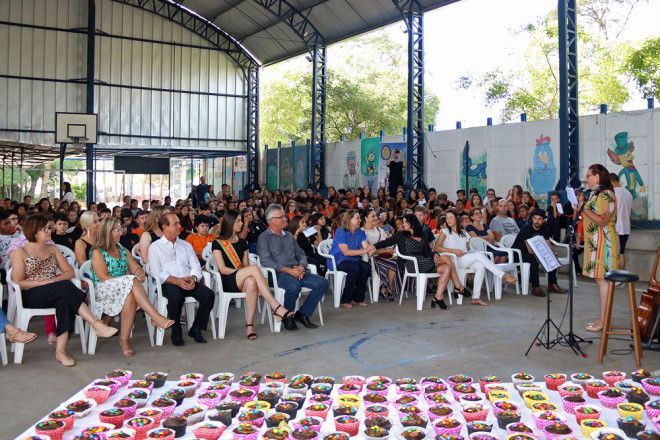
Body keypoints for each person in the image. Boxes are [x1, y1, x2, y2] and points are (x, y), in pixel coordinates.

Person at [10, 214, 118, 366]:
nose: (50, 231)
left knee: (64, 300)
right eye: (46, 229)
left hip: (55, 290)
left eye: (50, 228)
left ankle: (61, 351)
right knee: (65, 288)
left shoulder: (52, 249)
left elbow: (69, 272)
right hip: (31, 294)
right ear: (34, 231)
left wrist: (53, 280)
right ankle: (95, 323)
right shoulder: (21, 252)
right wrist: (44, 282)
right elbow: (19, 282)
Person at [91, 217, 174, 356]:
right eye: (116, 230)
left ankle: (124, 341)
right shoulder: (97, 251)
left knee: (130, 295)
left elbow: (135, 267)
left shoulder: (121, 249)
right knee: (132, 281)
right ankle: (155, 316)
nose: (121, 232)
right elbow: (102, 277)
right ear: (106, 231)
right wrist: (128, 279)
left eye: (120, 229)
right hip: (104, 289)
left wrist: (139, 273)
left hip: (123, 287)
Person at [213, 210, 295, 338]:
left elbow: (246, 265)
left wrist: (246, 272)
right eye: (239, 221)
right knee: (254, 269)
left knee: (251, 281)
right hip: (227, 280)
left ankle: (249, 325)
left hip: (243, 280)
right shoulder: (217, 242)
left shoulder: (242, 242)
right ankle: (275, 306)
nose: (242, 223)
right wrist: (244, 272)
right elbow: (222, 269)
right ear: (230, 223)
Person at [257, 204, 328, 329]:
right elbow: (266, 261)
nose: (285, 219)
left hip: (296, 271)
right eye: (282, 217)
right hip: (277, 274)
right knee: (294, 286)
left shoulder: (289, 236)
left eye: (285, 216)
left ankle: (303, 313)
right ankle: (287, 315)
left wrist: (300, 266)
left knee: (322, 282)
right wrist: (288, 270)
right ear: (271, 220)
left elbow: (301, 254)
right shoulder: (264, 237)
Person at [148, 212, 215, 345]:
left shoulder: (185, 245)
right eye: (175, 224)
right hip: (168, 283)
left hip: (188, 280)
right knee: (176, 297)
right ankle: (176, 331)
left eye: (179, 222)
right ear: (164, 227)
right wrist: (177, 281)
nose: (180, 226)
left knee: (208, 295)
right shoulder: (155, 247)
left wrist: (193, 278)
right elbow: (156, 272)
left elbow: (195, 265)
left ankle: (196, 328)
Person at [374, 214, 460, 309]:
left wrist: (435, 254)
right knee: (446, 258)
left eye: (405, 222)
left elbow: (427, 252)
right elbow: (387, 242)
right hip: (412, 263)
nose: (403, 224)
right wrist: (373, 246)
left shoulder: (422, 234)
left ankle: (438, 297)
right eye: (403, 222)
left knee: (447, 268)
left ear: (412, 223)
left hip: (425, 261)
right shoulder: (401, 235)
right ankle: (458, 286)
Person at [435, 210, 517, 306]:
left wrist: (469, 251)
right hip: (452, 260)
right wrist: (453, 251)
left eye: (450, 217)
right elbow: (437, 247)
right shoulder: (444, 232)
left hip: (463, 259)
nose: (448, 220)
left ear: (456, 218)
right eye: (447, 218)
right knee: (478, 255)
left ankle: (475, 297)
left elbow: (467, 248)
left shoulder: (464, 233)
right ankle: (503, 275)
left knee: (480, 265)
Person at [580, 164, 619, 332]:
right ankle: (602, 319)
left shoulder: (606, 195)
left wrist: (584, 209)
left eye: (588, 176)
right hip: (596, 242)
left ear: (597, 176)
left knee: (604, 280)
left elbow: (602, 220)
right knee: (600, 280)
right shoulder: (598, 194)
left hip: (605, 243)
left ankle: (604, 321)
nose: (586, 179)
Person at [512, 209, 565, 296]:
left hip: (534, 252)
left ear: (544, 220)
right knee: (534, 259)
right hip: (519, 253)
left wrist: (552, 253)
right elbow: (529, 249)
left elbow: (548, 244)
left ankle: (552, 284)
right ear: (532, 219)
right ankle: (535, 287)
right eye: (535, 218)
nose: (537, 221)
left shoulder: (545, 228)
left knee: (551, 257)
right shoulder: (526, 229)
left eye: (539, 219)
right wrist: (542, 255)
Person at [329, 210, 375, 308]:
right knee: (355, 269)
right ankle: (345, 299)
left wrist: (371, 250)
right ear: (349, 220)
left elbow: (366, 246)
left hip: (354, 259)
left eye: (359, 218)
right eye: (357, 218)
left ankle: (358, 298)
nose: (359, 220)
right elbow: (346, 252)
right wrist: (365, 250)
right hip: (339, 260)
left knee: (366, 267)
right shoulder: (341, 231)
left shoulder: (360, 232)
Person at [362, 208, 400, 301]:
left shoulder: (379, 230)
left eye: (376, 216)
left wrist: (389, 249)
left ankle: (385, 289)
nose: (376, 218)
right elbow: (367, 250)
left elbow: (387, 243)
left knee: (399, 261)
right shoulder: (362, 232)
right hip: (369, 259)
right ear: (366, 218)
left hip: (382, 256)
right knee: (393, 264)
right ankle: (388, 289)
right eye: (373, 216)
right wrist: (384, 250)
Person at [611, 173, 632, 270]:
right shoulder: (628, 193)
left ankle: (616, 279)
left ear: (612, 182)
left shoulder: (612, 193)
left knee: (614, 254)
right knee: (621, 252)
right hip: (626, 227)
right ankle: (622, 276)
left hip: (616, 227)